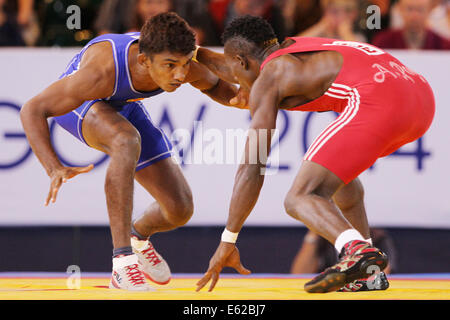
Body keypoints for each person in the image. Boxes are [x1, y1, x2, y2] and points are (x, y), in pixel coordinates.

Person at [195, 15, 435, 293]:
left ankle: (355, 250)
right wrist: (195, 52)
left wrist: (228, 239)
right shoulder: (296, 49)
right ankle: (368, 274)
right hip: (420, 99)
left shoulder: (270, 76)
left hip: (379, 99)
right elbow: (233, 65)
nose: (240, 86)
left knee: (301, 196)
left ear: (241, 61)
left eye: (238, 76)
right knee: (340, 182)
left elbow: (253, 164)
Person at [20, 12, 245, 291]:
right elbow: (32, 109)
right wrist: (53, 166)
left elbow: (220, 88)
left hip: (122, 102)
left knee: (179, 209)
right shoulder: (99, 72)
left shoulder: (182, 64)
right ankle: (122, 263)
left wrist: (251, 100)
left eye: (185, 65)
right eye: (171, 66)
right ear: (143, 60)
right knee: (125, 140)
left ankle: (138, 236)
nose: (179, 75)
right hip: (84, 101)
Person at [290, 228, 396, 291]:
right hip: (330, 294)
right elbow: (298, 274)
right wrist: (313, 233)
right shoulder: (325, 239)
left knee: (298, 199)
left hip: (361, 293)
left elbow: (379, 276)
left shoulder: (376, 237)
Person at [372, 0, 450, 49]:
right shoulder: (382, 42)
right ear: (400, 9)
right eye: (409, 9)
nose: (414, 16)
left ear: (429, 11)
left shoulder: (445, 46)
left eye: (420, 10)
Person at [297, 0, 367, 42]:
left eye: (334, 12)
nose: (328, 16)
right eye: (325, 12)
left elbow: (358, 54)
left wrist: (345, 33)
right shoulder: (320, 37)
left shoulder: (357, 38)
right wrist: (320, 27)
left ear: (351, 15)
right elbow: (293, 45)